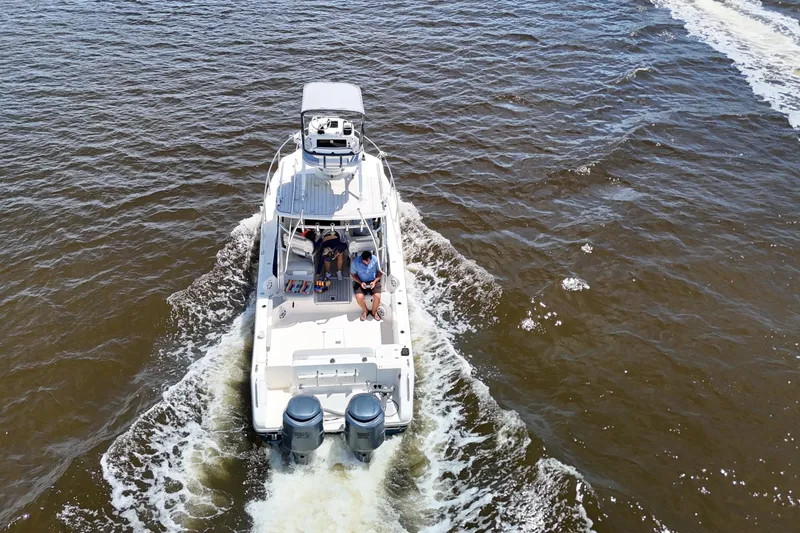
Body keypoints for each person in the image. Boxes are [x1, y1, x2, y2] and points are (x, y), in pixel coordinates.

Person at [351, 250, 382, 321]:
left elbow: (380, 272)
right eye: (364, 261)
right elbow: (353, 275)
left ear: (371, 259)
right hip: (360, 281)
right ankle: (365, 311)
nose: (366, 263)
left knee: (377, 296)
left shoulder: (376, 260)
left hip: (373, 281)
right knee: (358, 297)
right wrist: (360, 282)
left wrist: (374, 282)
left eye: (368, 261)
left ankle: (374, 312)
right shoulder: (355, 262)